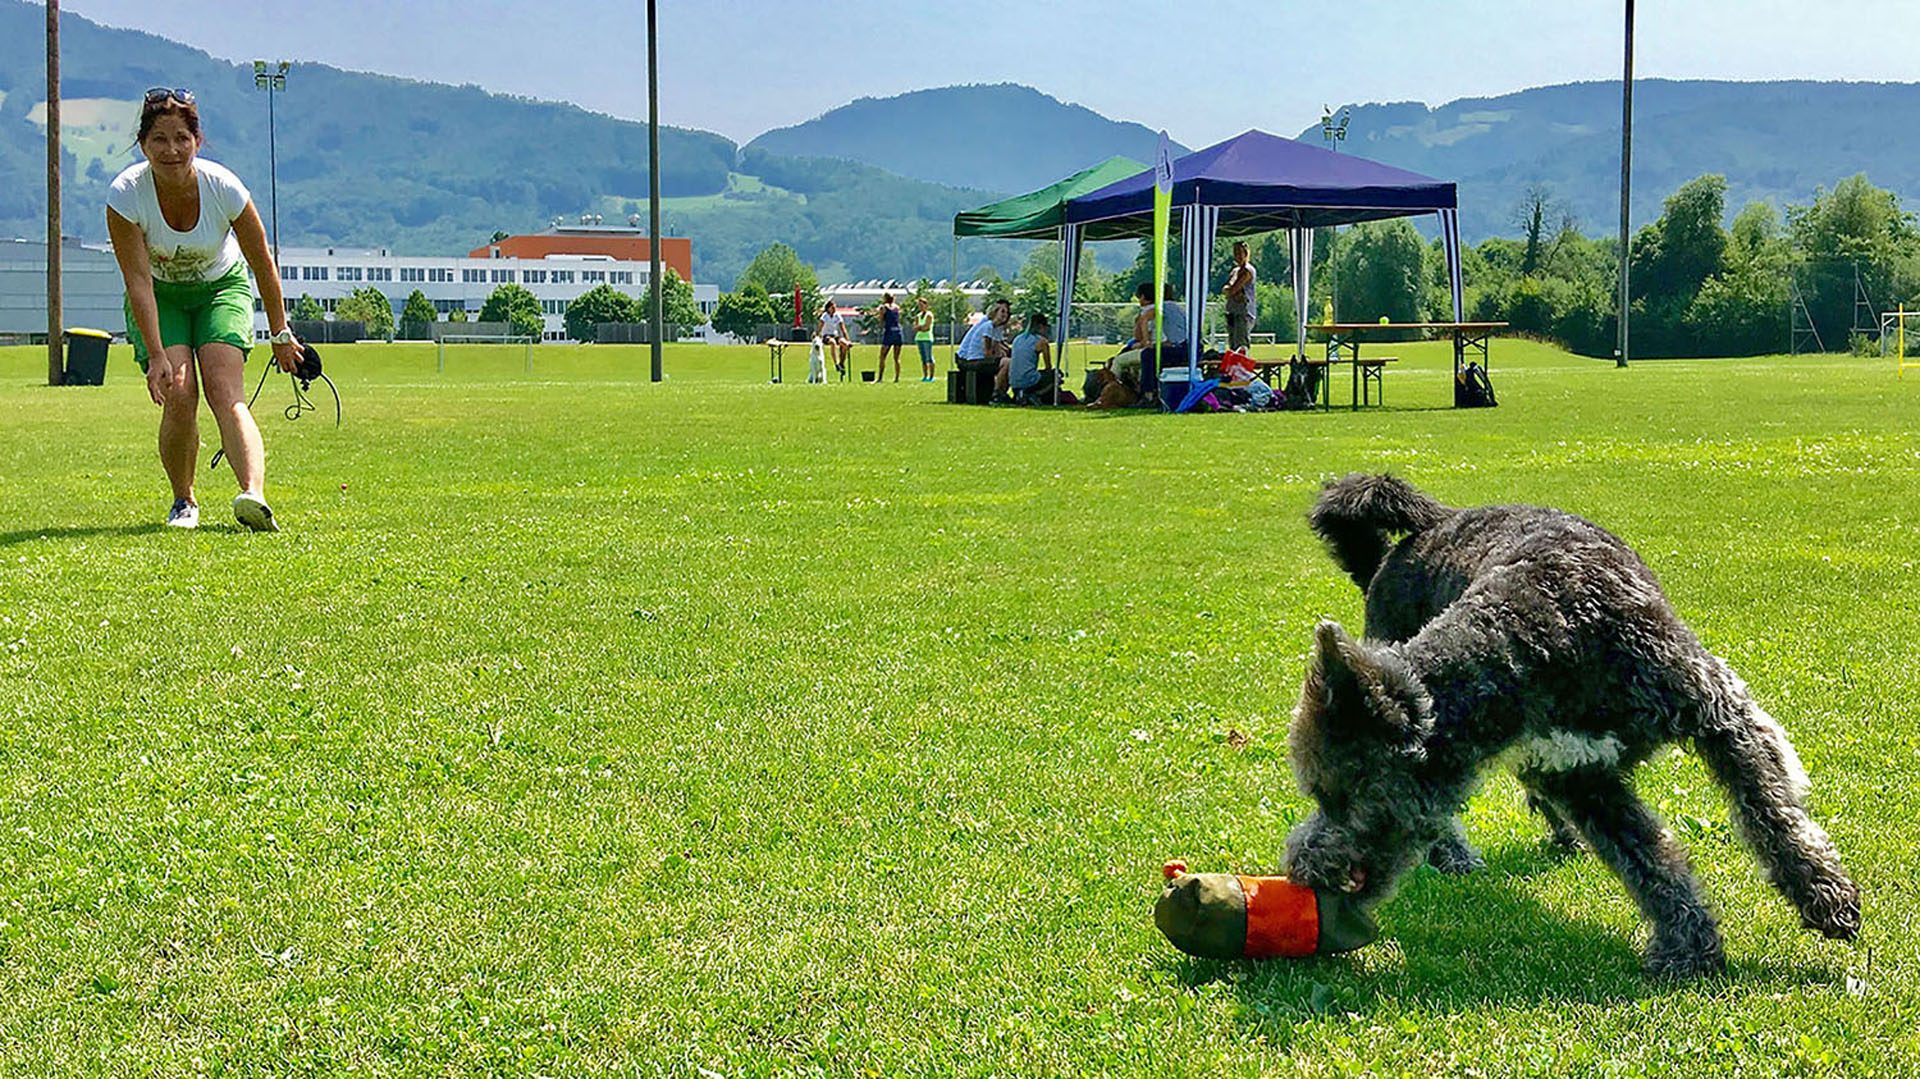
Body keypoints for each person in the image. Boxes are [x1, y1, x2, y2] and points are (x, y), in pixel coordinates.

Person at [105, 86, 301, 532]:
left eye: (181, 138)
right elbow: (137, 280)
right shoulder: (126, 195)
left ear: (197, 140)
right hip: (160, 295)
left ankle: (253, 496)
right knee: (179, 393)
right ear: (143, 145)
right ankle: (184, 501)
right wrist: (155, 355)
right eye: (159, 139)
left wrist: (281, 332)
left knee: (224, 390)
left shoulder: (224, 188)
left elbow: (261, 263)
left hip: (221, 289)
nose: (171, 150)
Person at [1007, 312, 1058, 404]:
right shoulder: (1041, 342)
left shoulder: (1017, 339)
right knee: (1055, 376)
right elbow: (1048, 367)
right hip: (1028, 380)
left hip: (1013, 381)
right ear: (1041, 326)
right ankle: (1035, 394)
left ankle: (1020, 394)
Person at [1223, 240, 1258, 353]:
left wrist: (1231, 291)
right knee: (1233, 344)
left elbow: (1233, 288)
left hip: (1243, 312)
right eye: (1235, 252)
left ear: (1246, 253)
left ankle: (1242, 368)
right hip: (1232, 311)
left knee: (1241, 344)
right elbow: (1227, 288)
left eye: (1239, 253)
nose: (1237, 256)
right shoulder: (1235, 271)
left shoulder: (1248, 270)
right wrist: (1230, 290)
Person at [817, 300, 851, 380]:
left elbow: (843, 328)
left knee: (844, 344)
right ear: (828, 308)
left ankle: (841, 363)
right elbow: (820, 327)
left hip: (835, 335)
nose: (834, 309)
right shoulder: (825, 316)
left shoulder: (837, 316)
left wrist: (847, 339)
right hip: (826, 336)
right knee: (832, 342)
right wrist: (817, 336)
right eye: (832, 307)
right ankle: (836, 364)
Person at [874, 292, 904, 383]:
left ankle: (880, 378)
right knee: (896, 358)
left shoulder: (884, 307)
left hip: (889, 333)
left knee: (882, 356)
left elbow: (881, 320)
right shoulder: (897, 307)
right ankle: (897, 378)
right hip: (898, 332)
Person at [913, 294, 936, 382]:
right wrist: (920, 327)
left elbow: (927, 327)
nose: (920, 307)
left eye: (922, 305)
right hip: (919, 338)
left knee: (929, 357)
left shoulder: (929, 315)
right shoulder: (918, 316)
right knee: (923, 359)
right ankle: (925, 376)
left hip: (927, 338)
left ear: (926, 305)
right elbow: (915, 327)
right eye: (919, 305)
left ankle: (931, 376)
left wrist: (920, 327)